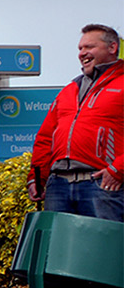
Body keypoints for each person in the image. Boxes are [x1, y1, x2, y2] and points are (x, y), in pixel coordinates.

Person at [29, 23, 122, 222]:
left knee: (102, 249)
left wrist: (118, 170)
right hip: (58, 186)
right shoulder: (70, 89)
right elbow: (45, 137)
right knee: (57, 250)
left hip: (102, 185)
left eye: (89, 47)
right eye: (80, 48)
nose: (82, 53)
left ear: (112, 48)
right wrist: (37, 178)